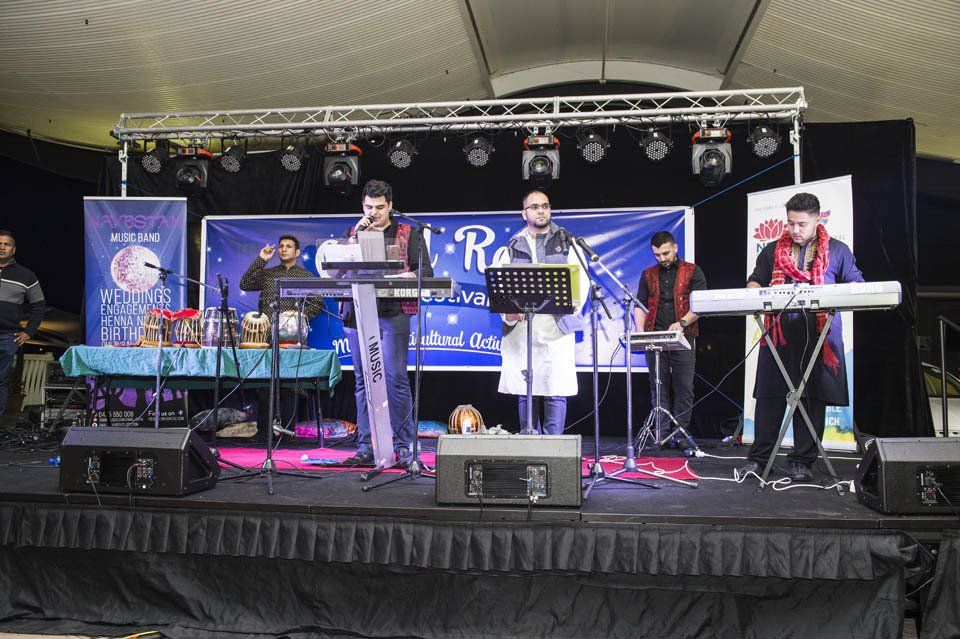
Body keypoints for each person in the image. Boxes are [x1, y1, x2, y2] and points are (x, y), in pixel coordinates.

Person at [737, 192, 864, 482]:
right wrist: (755, 290)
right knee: (769, 397)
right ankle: (759, 460)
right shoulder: (772, 251)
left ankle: (802, 462)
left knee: (811, 399)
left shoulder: (838, 251)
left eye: (802, 224)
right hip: (778, 337)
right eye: (791, 223)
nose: (795, 229)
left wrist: (831, 295)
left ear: (817, 219)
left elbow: (856, 284)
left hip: (819, 339)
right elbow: (755, 279)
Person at [340, 180, 432, 466]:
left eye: (380, 207)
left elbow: (426, 271)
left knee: (395, 378)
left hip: (393, 312)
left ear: (390, 206)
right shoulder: (352, 233)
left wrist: (407, 276)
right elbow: (339, 271)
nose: (374, 213)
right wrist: (354, 238)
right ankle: (366, 446)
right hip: (358, 312)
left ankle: (404, 446)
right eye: (369, 207)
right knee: (362, 380)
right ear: (362, 206)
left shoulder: (409, 233)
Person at [497, 189, 587, 434]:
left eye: (545, 206)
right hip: (523, 328)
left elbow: (581, 280)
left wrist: (574, 303)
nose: (541, 211)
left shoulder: (567, 243)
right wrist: (508, 314)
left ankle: (554, 445)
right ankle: (529, 441)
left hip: (556, 327)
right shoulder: (511, 246)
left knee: (555, 387)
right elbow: (501, 286)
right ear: (524, 213)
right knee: (526, 387)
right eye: (535, 207)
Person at [633, 230, 707, 443]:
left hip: (683, 337)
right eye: (657, 255)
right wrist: (640, 331)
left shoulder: (693, 271)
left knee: (684, 387)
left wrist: (682, 323)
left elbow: (700, 305)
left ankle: (680, 434)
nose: (662, 258)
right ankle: (661, 434)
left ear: (675, 248)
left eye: (665, 253)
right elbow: (640, 304)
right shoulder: (648, 274)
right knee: (658, 387)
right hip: (655, 338)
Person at [0, 230, 45, 422]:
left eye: (7, 244)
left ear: (14, 249)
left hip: (7, 336)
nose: (2, 247)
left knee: (1, 382)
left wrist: (29, 332)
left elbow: (39, 305)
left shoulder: (26, 275)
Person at [239, 234, 323, 320]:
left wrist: (298, 316)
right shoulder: (268, 274)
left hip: (294, 327)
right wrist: (262, 259)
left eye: (288, 246)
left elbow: (317, 303)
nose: (284, 249)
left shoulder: (306, 276)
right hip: (268, 326)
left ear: (297, 253)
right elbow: (245, 284)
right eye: (281, 246)